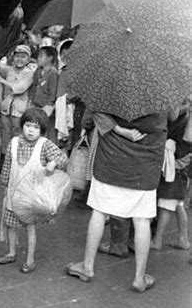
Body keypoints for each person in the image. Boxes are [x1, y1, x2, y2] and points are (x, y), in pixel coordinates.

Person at [66, 111, 167, 292]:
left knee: (99, 211)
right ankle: (139, 278)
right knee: (142, 219)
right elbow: (173, 115)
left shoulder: (112, 85)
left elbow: (96, 111)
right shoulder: (160, 90)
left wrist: (120, 130)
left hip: (111, 159)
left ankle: (87, 267)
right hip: (146, 163)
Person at [0, 107, 68, 273]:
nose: (31, 130)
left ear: (41, 130)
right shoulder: (13, 143)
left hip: (33, 198)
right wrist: (5, 187)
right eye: (28, 125)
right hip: (13, 193)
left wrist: (53, 163)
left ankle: (30, 259)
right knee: (10, 225)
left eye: (36, 128)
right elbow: (7, 166)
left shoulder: (44, 145)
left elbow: (62, 158)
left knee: (29, 227)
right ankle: (11, 252)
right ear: (22, 126)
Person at [150, 103, 190, 250]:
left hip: (176, 166)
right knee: (177, 204)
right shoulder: (186, 117)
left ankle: (157, 240)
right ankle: (183, 238)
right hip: (181, 167)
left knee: (166, 203)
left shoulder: (184, 120)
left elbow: (185, 142)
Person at [0, 44, 35, 171]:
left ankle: (18, 165)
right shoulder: (8, 70)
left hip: (19, 111)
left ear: (28, 59)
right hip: (6, 109)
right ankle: (4, 164)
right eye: (17, 56)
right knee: (5, 135)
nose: (20, 59)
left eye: (23, 57)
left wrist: (2, 80)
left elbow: (19, 88)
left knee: (19, 136)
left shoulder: (29, 73)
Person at [28, 45, 58, 141]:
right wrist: (31, 100)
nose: (38, 58)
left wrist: (48, 106)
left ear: (50, 58)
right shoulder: (38, 70)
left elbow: (52, 93)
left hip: (46, 109)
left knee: (45, 134)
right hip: (35, 106)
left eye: (41, 56)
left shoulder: (53, 73)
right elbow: (34, 86)